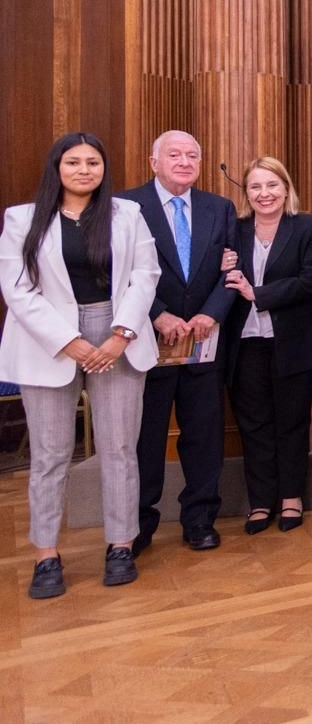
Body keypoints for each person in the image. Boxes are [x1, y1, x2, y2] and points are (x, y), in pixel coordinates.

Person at [1, 133, 160, 599]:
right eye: (74, 162)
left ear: (103, 169)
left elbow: (145, 275)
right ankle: (46, 555)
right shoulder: (22, 219)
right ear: (57, 167)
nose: (84, 170)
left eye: (93, 162)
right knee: (50, 455)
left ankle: (121, 546)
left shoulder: (126, 214)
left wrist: (120, 334)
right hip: (49, 339)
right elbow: (17, 289)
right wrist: (68, 341)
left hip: (117, 331)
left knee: (119, 448)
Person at [120, 130, 237, 555]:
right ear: (154, 162)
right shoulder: (126, 207)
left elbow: (233, 270)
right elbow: (118, 273)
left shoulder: (219, 208)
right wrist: (156, 314)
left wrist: (211, 313)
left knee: (204, 435)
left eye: (193, 155)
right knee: (145, 437)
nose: (185, 162)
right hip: (147, 343)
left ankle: (200, 519)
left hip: (203, 342)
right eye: (174, 155)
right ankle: (138, 523)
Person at [220, 157, 312, 535]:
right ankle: (261, 502)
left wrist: (258, 293)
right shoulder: (234, 231)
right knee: (254, 424)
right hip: (245, 341)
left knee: (292, 421)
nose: (264, 193)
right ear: (246, 193)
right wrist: (221, 267)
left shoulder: (307, 226)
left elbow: (310, 280)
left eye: (271, 185)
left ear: (285, 188)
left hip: (295, 341)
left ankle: (291, 498)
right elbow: (218, 279)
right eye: (255, 186)